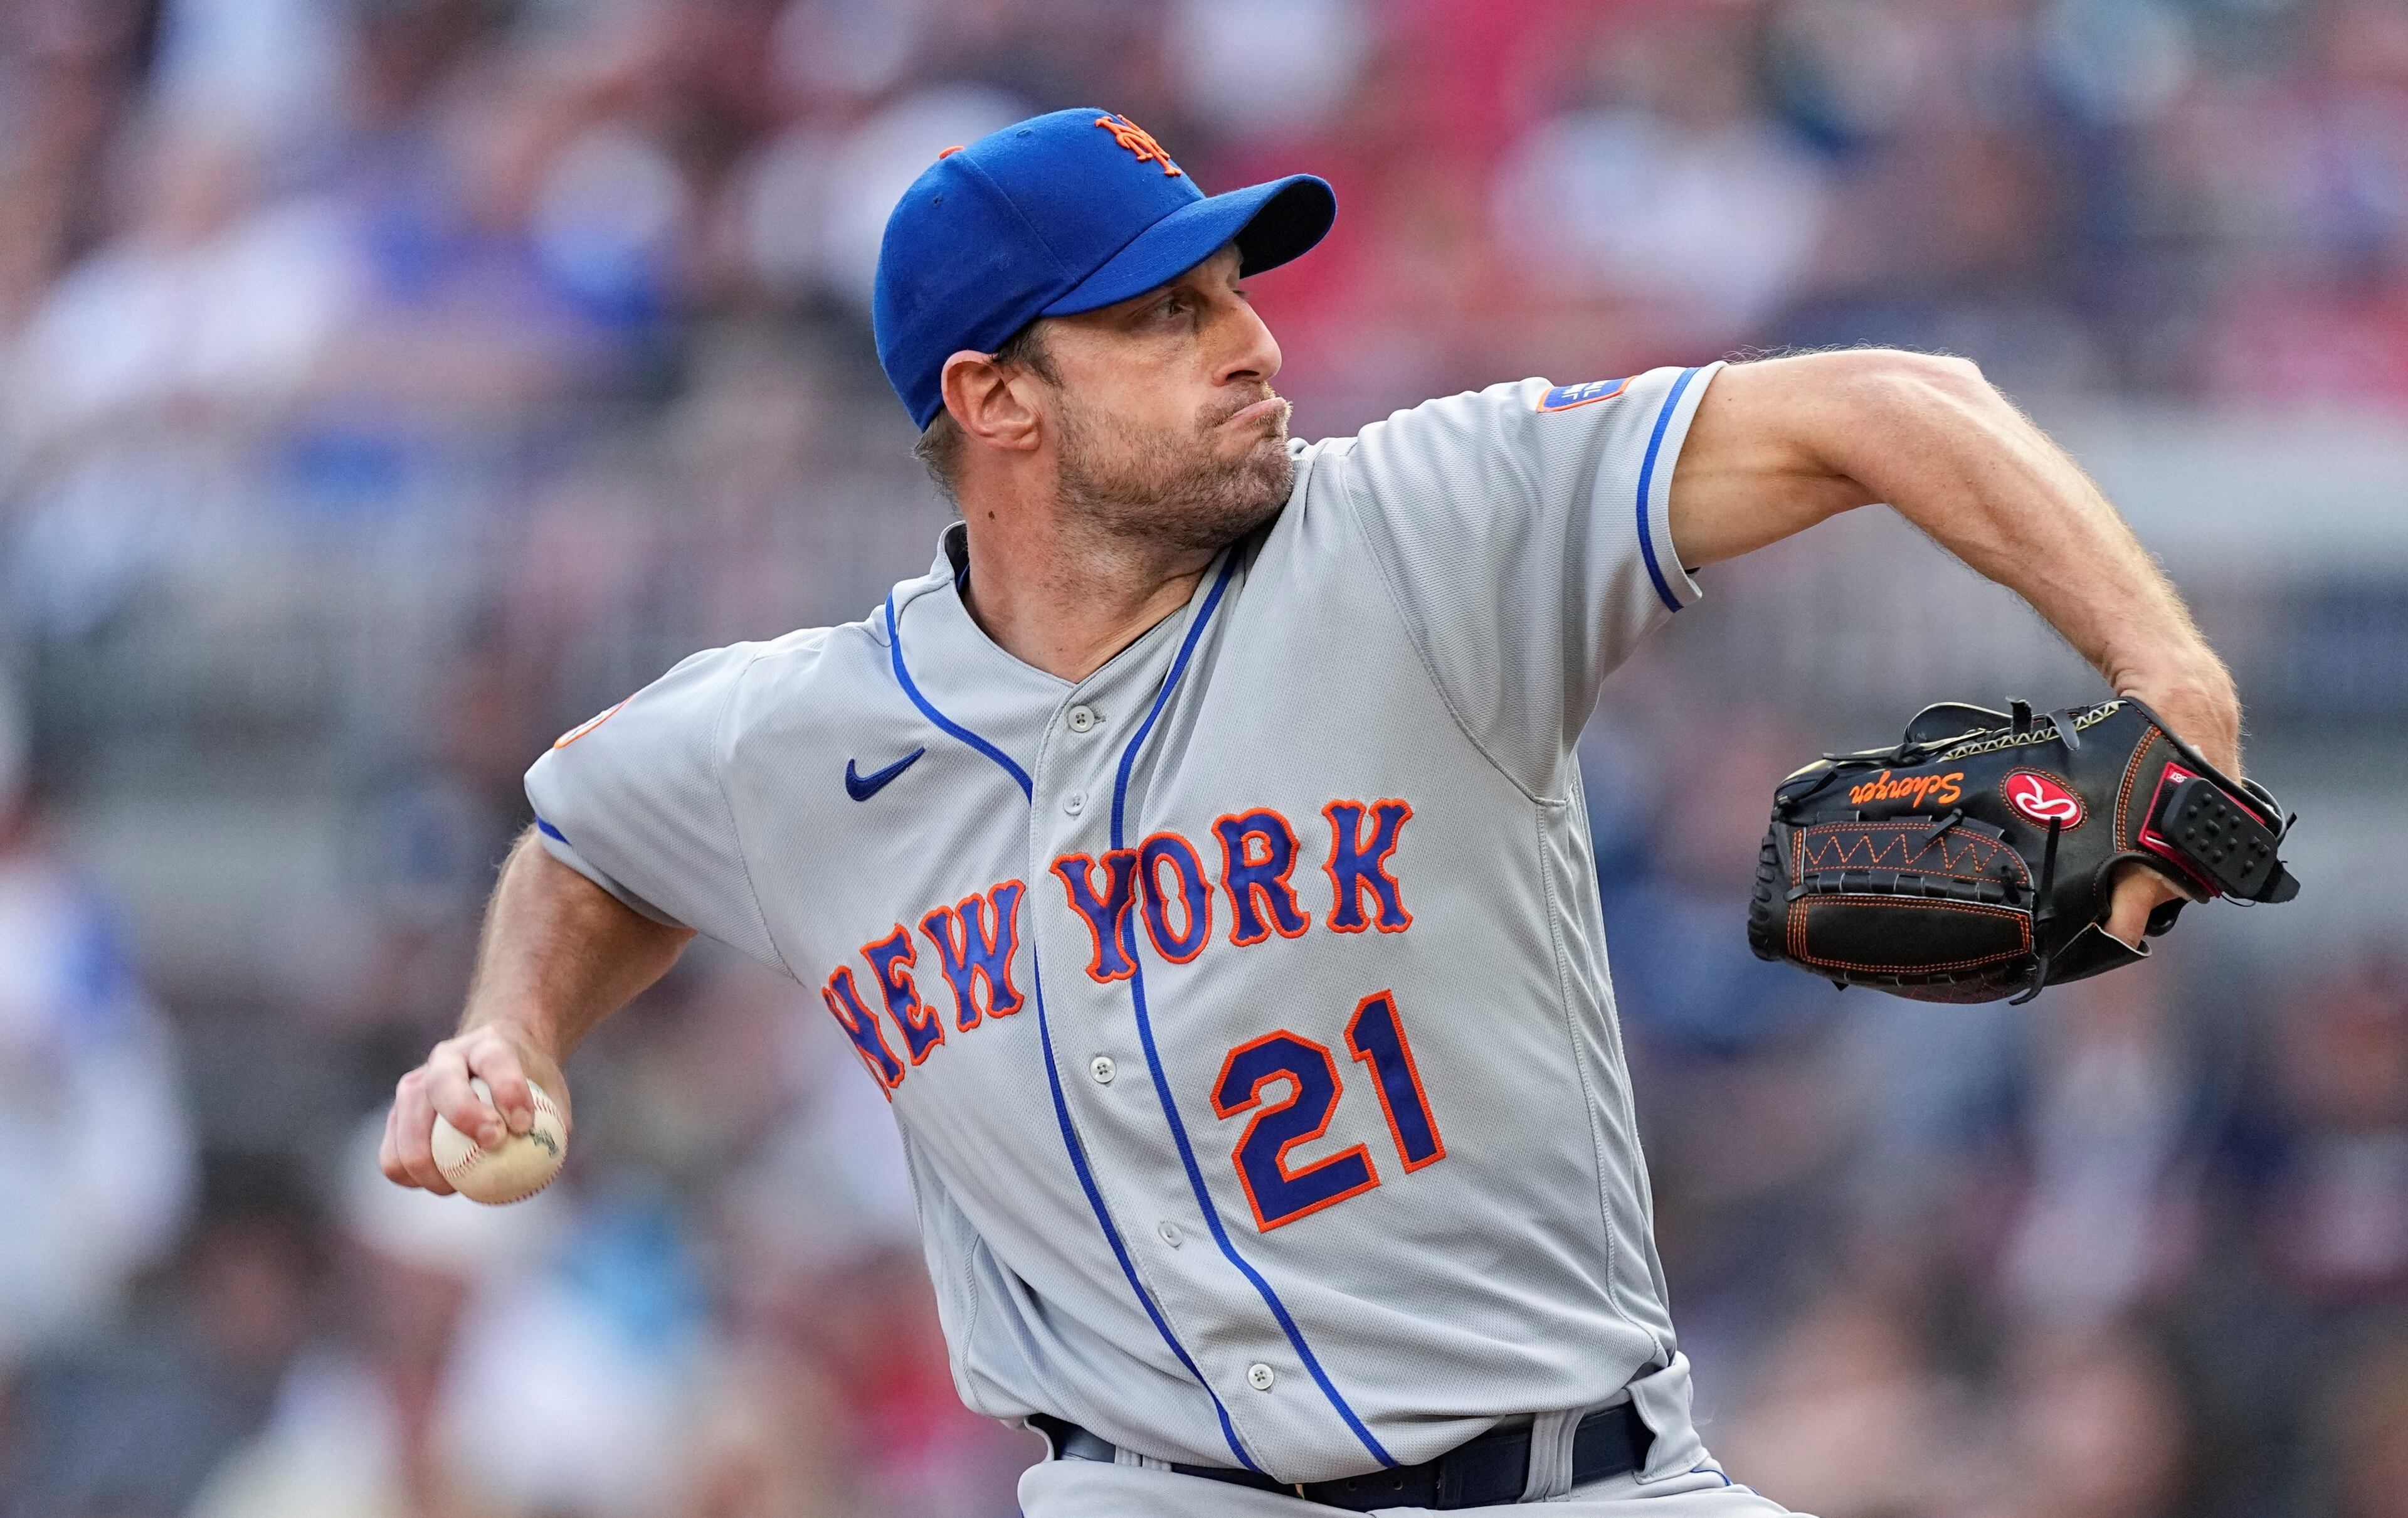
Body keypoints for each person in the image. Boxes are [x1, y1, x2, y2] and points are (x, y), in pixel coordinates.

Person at [379, 109, 2241, 1515]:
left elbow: (1887, 401)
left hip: (1570, 1481)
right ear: (995, 398)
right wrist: (509, 1026)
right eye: (1171, 315)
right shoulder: (805, 734)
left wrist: (2179, 686)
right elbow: (591, 839)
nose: (1254, 343)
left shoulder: (1422, 529)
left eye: (1240, 293)